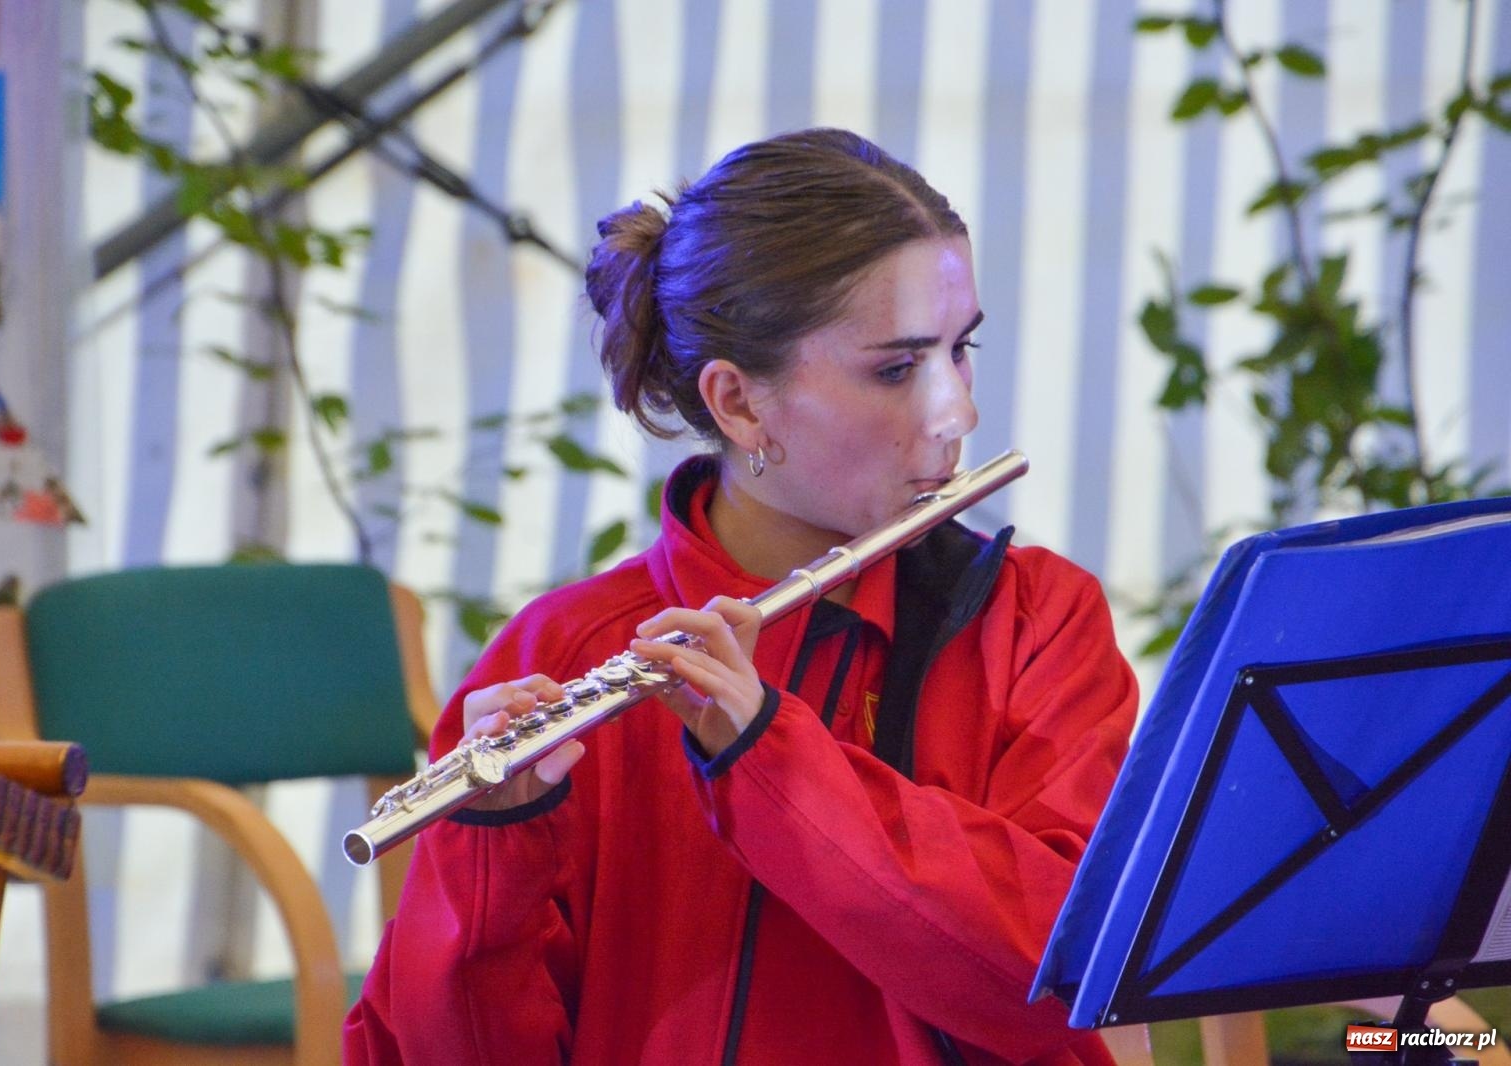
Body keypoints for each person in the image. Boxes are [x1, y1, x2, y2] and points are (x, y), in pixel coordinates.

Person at [345, 128, 1137, 1066]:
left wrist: (771, 758)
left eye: (960, 352)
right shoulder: (560, 650)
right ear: (738, 403)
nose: (956, 411)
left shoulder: (1033, 619)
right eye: (896, 368)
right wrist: (491, 853)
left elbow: (1064, 981)